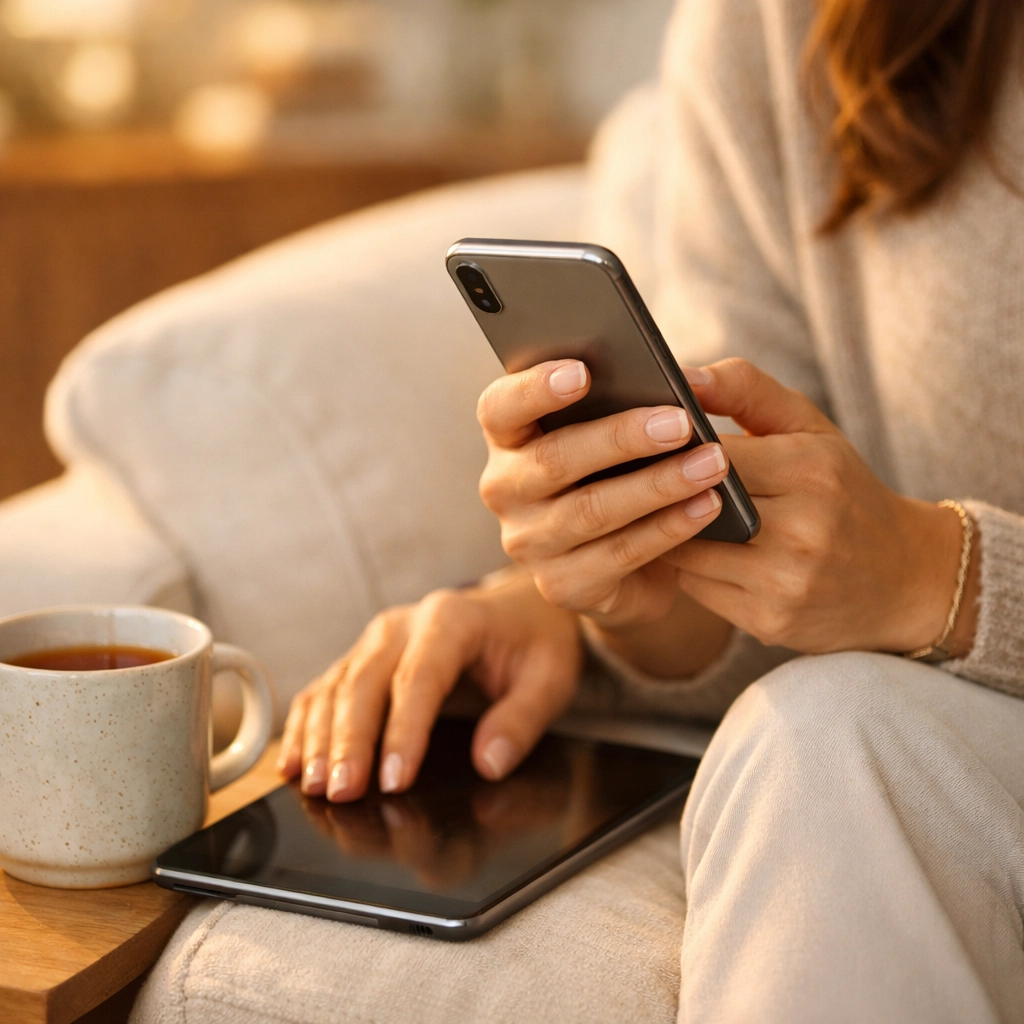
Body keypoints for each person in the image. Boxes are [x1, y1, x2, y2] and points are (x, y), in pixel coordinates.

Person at [277, 0, 1024, 1019]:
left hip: (913, 723)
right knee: (826, 732)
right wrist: (620, 596)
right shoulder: (774, 29)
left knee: (846, 736)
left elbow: (889, 591)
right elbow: (804, 584)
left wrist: (945, 575)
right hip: (922, 736)